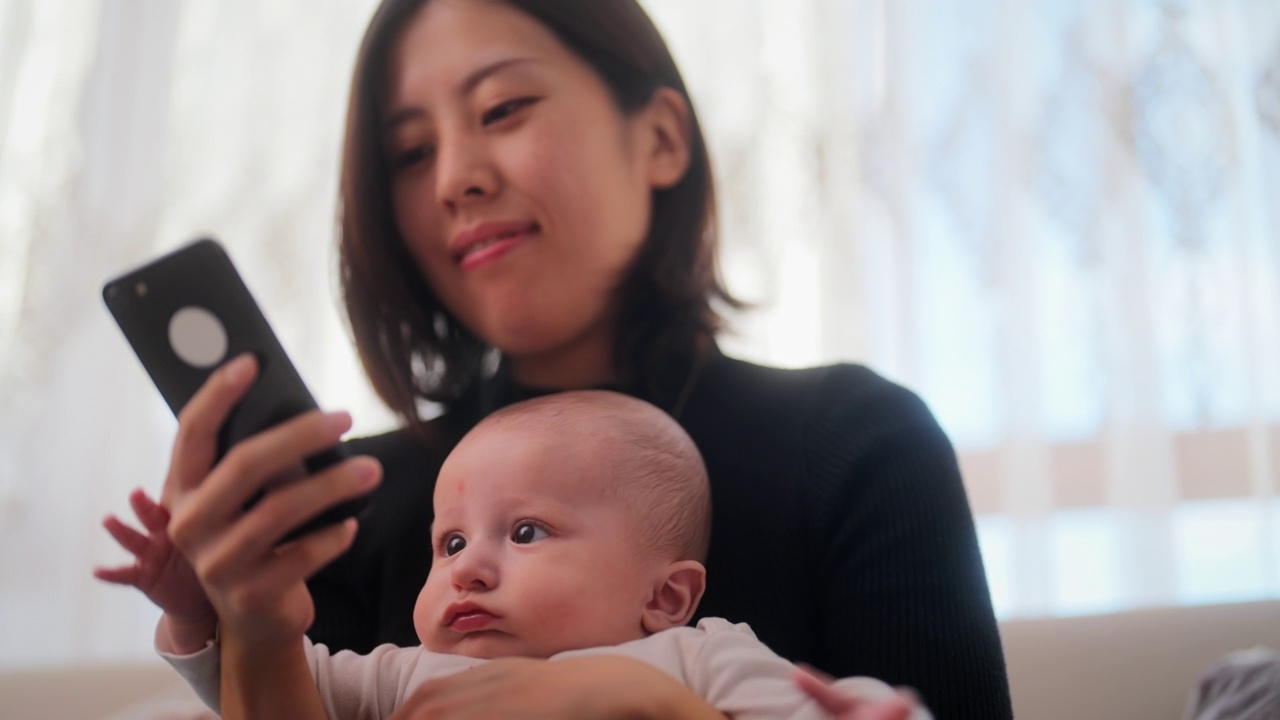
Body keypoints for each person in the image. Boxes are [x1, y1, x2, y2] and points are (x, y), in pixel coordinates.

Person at [97, 0, 1013, 717]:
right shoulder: (341, 509)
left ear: (658, 138)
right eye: (411, 152)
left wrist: (650, 703)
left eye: (503, 107)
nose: (455, 176)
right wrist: (243, 626)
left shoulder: (853, 444)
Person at [104, 390, 928, 720]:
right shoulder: (404, 675)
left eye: (526, 532)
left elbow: (811, 708)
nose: (467, 567)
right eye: (450, 542)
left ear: (668, 597)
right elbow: (268, 685)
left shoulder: (697, 656)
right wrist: (201, 609)